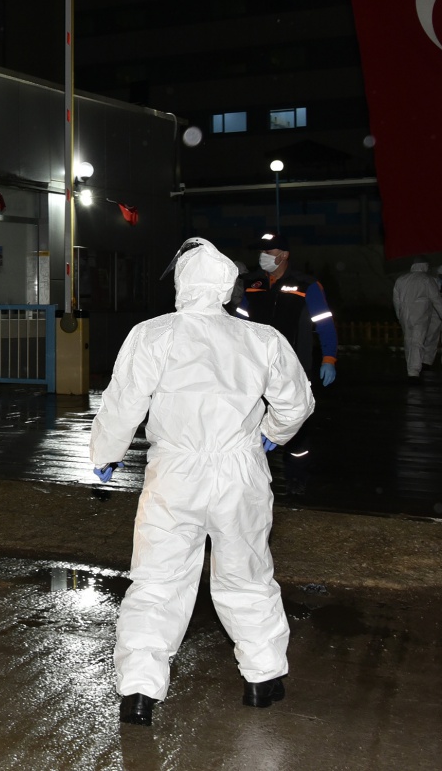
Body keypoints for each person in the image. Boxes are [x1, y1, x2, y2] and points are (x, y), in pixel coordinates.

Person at [91, 238, 313, 728]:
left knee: (158, 580)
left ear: (182, 283)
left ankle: (140, 693)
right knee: (247, 573)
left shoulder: (153, 335)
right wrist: (271, 434)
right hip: (239, 472)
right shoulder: (261, 339)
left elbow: (124, 400)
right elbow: (296, 402)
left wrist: (106, 453)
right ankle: (262, 676)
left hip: (175, 474)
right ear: (226, 286)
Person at [234, 233, 335, 493]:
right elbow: (240, 323)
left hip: (295, 368)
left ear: (284, 255)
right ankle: (253, 476)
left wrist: (329, 358)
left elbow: (324, 323)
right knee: (252, 420)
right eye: (261, 252)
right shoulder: (252, 283)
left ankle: (296, 476)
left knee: (296, 423)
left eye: (269, 252)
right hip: (257, 368)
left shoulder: (306, 285)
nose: (263, 257)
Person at [392, 260, 442, 382]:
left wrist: (399, 315)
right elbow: (436, 299)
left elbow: (396, 300)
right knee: (417, 341)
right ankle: (413, 371)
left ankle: (411, 367)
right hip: (421, 315)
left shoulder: (401, 279)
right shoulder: (426, 280)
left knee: (409, 341)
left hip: (405, 315)